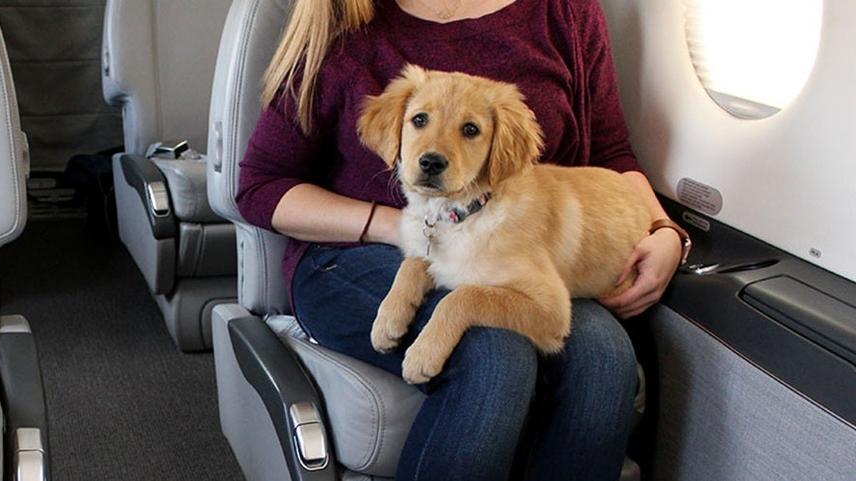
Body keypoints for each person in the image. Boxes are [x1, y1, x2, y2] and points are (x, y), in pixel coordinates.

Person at [237, 1, 684, 479]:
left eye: (469, 131)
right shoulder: (340, 16)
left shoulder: (566, 9)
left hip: (508, 242)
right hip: (351, 254)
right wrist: (396, 227)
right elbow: (261, 187)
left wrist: (667, 233)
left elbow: (611, 149)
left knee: (606, 359)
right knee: (492, 353)